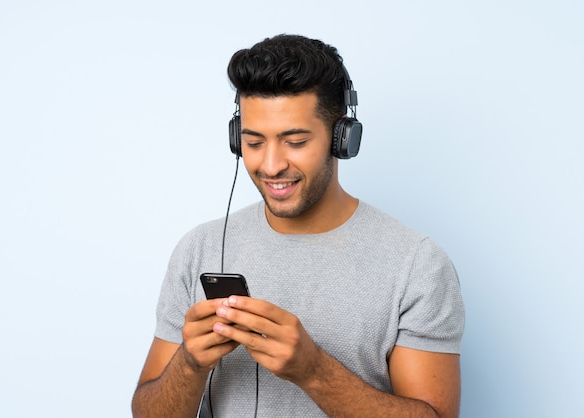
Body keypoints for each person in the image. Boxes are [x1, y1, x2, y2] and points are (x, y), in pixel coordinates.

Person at [131, 34, 465, 418]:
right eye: (254, 142)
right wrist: (189, 364)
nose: (271, 165)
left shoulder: (418, 265)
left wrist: (313, 370)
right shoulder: (199, 248)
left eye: (295, 141)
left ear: (342, 137)